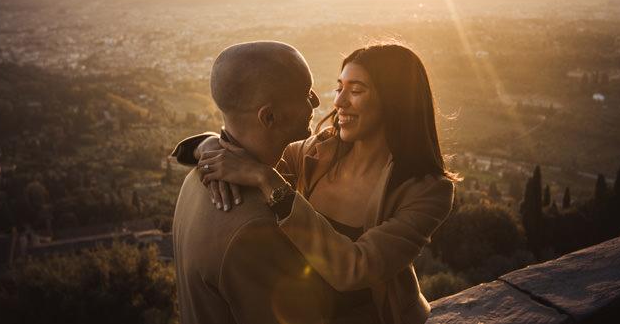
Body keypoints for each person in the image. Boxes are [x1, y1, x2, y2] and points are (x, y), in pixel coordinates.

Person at [174, 43, 458, 324]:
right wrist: (209, 146)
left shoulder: (428, 191)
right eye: (340, 88)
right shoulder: (317, 152)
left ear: (396, 101)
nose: (338, 102)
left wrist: (267, 179)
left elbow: (357, 269)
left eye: (356, 90)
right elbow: (252, 147)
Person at [170, 41, 333, 324]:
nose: (317, 101)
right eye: (305, 93)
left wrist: (207, 143)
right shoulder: (255, 227)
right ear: (268, 116)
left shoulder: (198, 179)